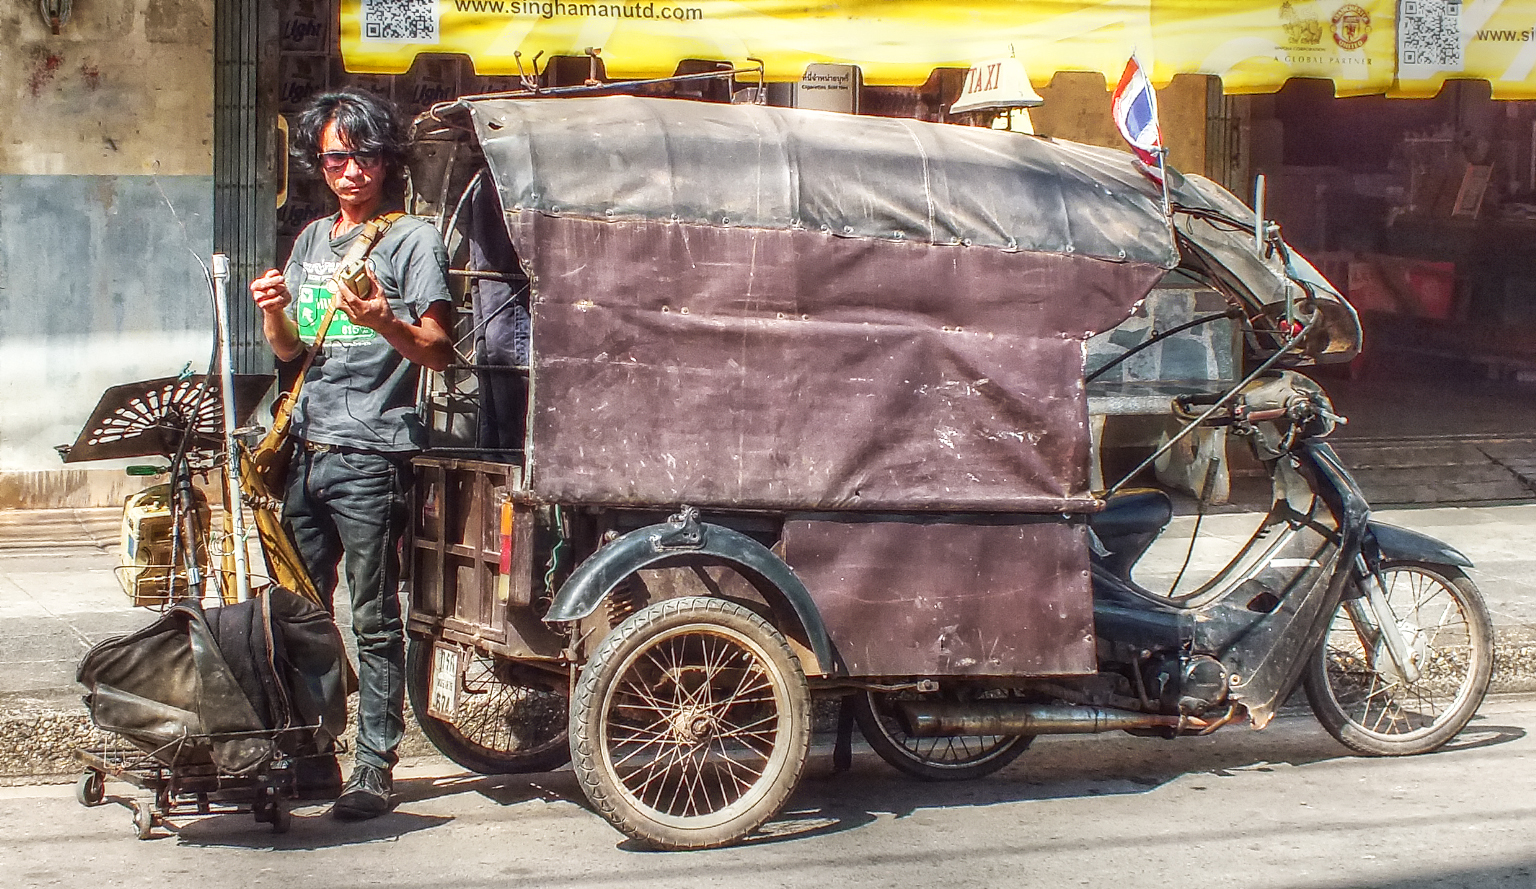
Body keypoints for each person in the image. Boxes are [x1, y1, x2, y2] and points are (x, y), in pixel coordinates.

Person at [249, 88, 453, 820]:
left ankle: (374, 765)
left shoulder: (412, 242)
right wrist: (272, 306)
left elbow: (437, 348)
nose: (351, 170)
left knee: (373, 617)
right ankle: (312, 754)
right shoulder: (309, 240)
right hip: (305, 446)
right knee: (299, 613)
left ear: (386, 159)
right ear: (321, 164)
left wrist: (385, 320)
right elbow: (289, 349)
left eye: (364, 155)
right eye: (337, 157)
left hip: (373, 454)